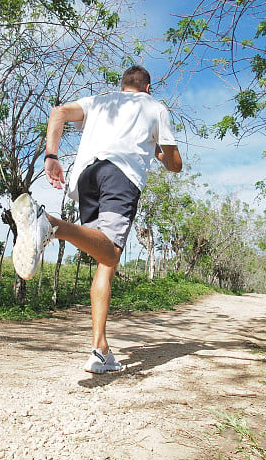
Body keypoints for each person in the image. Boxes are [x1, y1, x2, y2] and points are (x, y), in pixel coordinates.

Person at [11, 65, 182, 374]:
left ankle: (100, 349)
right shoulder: (155, 108)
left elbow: (59, 112)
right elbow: (175, 164)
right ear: (147, 88)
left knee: (105, 259)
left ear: (123, 85)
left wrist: (51, 156)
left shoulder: (101, 100)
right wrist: (159, 152)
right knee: (112, 251)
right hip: (120, 176)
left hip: (86, 176)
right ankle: (51, 224)